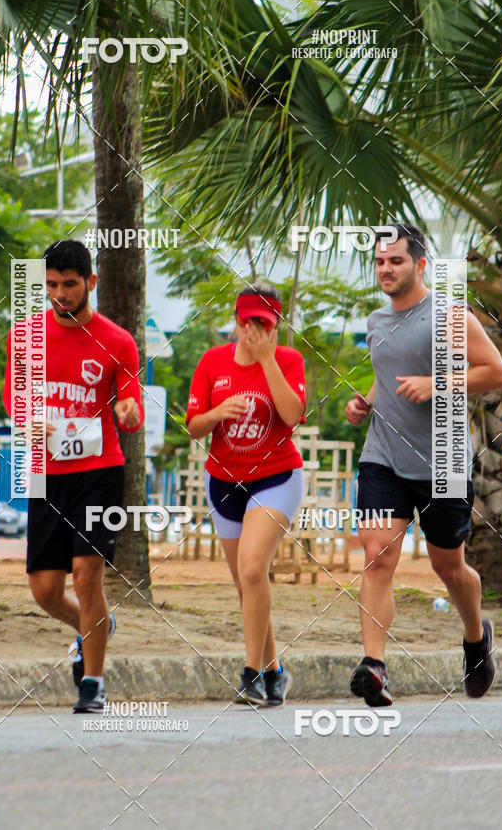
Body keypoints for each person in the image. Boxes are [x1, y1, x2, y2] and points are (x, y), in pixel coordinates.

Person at [345, 224, 502, 707]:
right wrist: (367, 404)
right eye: (379, 262)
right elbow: (387, 376)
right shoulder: (376, 321)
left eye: (395, 261)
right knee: (377, 555)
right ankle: (374, 666)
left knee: (448, 566)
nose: (385, 270)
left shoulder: (448, 314)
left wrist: (438, 384)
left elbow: (495, 371)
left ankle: (476, 637)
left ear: (419, 265)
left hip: (443, 462)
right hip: (384, 459)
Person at [3, 240, 144, 713]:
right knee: (44, 590)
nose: (59, 294)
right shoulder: (25, 336)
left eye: (69, 284)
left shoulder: (118, 341)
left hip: (98, 471)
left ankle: (93, 683)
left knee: (86, 577)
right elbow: (12, 397)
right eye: (51, 286)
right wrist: (26, 420)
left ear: (91, 283)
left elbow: (131, 404)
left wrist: (126, 412)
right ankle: (96, 626)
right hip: (45, 472)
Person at [186, 283, 306, 706]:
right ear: (235, 321)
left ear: (275, 327)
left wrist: (268, 361)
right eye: (245, 322)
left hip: (276, 477)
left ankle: (251, 674)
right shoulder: (211, 362)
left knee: (254, 568)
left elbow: (292, 416)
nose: (252, 331)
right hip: (223, 481)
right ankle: (275, 672)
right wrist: (216, 414)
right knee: (246, 584)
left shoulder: (288, 360)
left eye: (263, 324)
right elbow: (193, 426)